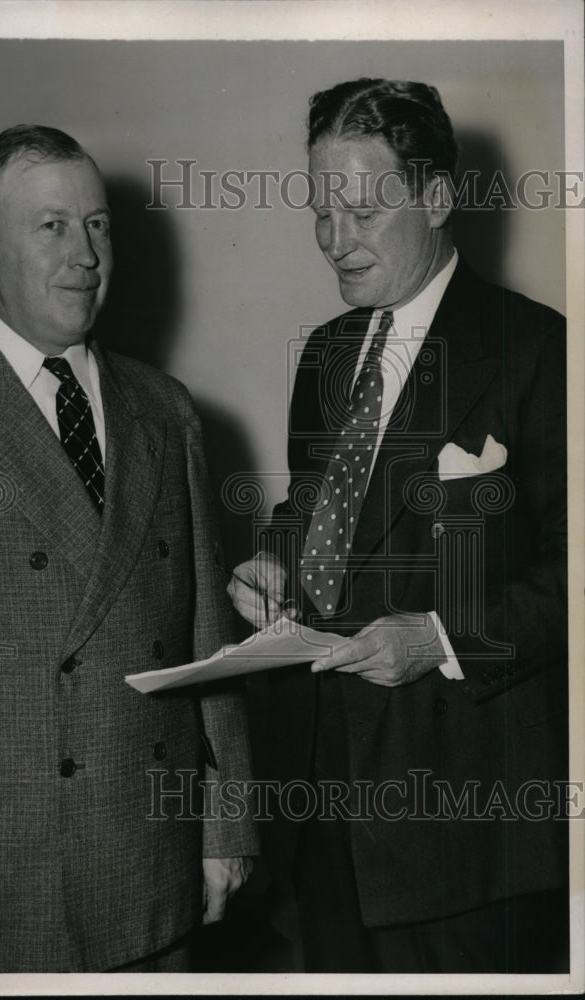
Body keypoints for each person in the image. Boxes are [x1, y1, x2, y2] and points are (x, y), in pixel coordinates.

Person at [0, 124, 257, 973]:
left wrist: (229, 821)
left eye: (97, 225)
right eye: (50, 226)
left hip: (156, 868)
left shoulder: (165, 409)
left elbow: (211, 642)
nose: (84, 253)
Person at [229, 78, 568, 973]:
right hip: (316, 798)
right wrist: (271, 556)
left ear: (437, 197)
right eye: (320, 211)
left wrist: (441, 638)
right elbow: (314, 506)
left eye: (363, 209)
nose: (335, 242)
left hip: (465, 833)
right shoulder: (328, 352)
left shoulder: (540, 349)